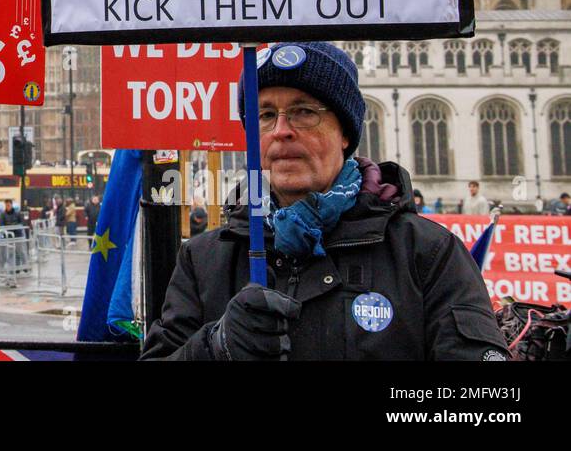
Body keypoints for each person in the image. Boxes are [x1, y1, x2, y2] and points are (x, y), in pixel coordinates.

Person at [142, 42, 507, 361]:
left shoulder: (427, 253)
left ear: (345, 132)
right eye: (266, 115)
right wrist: (215, 347)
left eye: (304, 111)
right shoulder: (205, 259)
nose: (282, 130)